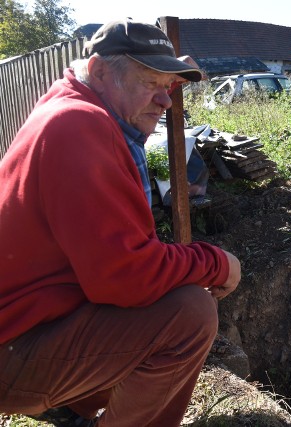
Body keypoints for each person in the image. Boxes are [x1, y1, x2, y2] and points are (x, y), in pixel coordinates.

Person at [0, 19, 241, 427]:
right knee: (189, 314)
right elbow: (126, 277)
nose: (166, 102)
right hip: (13, 352)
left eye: (169, 87)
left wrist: (160, 77)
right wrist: (217, 263)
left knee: (166, 297)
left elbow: (114, 268)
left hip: (25, 330)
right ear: (99, 71)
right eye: (152, 83)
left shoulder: (71, 104)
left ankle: (76, 407)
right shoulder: (79, 126)